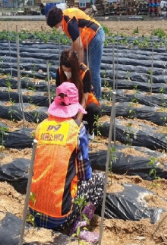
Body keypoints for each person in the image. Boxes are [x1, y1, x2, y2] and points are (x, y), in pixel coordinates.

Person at [28, 82, 104, 242]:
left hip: (33, 212)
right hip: (59, 217)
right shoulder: (77, 130)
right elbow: (85, 173)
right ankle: (79, 226)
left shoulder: (41, 127)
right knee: (99, 180)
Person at [46, 6, 105, 100]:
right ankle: (87, 93)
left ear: (59, 20)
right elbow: (76, 41)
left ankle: (97, 98)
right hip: (86, 38)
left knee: (92, 71)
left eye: (56, 26)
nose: (57, 28)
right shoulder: (65, 20)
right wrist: (70, 53)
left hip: (94, 36)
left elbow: (80, 47)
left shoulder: (69, 23)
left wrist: (79, 67)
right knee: (86, 70)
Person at [56, 48, 101, 140]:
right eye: (65, 71)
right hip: (69, 103)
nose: (67, 73)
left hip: (84, 103)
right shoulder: (60, 71)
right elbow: (60, 96)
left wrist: (77, 122)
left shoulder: (84, 72)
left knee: (94, 109)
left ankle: (90, 131)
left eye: (69, 71)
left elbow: (84, 99)